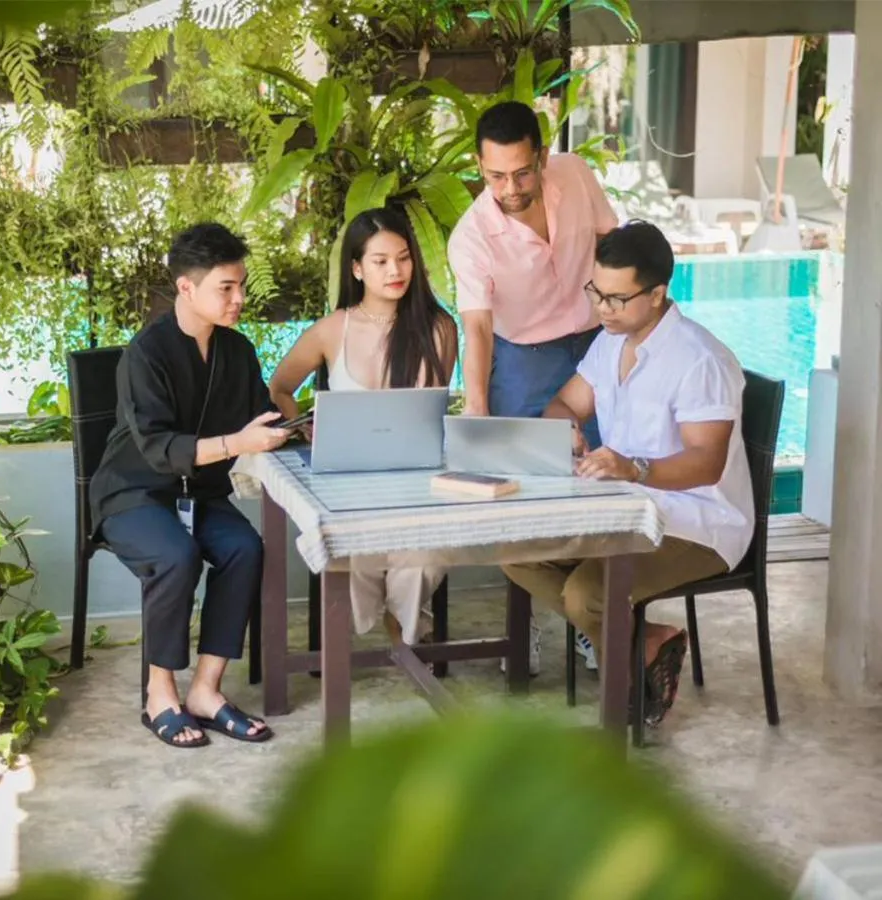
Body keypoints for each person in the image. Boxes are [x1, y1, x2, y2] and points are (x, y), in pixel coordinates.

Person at [501, 221, 754, 724]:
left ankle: (629, 672)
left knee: (586, 596)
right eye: (597, 292)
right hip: (619, 508)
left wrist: (634, 469)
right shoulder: (611, 342)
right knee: (515, 551)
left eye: (617, 299)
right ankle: (648, 640)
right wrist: (566, 428)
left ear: (658, 293)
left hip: (694, 521)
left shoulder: (700, 360)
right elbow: (565, 402)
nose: (602, 309)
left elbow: (707, 463)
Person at [88, 223, 291, 748]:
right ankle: (160, 695)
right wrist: (236, 443)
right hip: (133, 493)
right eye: (226, 287)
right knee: (177, 554)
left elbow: (258, 417)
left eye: (242, 284)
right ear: (186, 287)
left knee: (245, 548)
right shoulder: (145, 354)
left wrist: (294, 425)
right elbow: (158, 447)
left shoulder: (238, 351)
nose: (240, 298)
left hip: (195, 493)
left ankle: (205, 691)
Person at [448, 99, 620, 673]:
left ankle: (596, 619)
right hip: (524, 356)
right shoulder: (471, 237)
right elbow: (477, 327)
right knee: (524, 495)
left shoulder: (574, 175)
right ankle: (529, 624)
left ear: (542, 157)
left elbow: (611, 246)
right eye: (495, 175)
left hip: (596, 340)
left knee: (601, 477)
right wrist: (476, 404)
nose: (510, 188)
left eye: (521, 172)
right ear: (479, 165)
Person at [269, 206, 459, 646]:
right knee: (353, 556)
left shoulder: (440, 328)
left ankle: (405, 629)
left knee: (426, 557)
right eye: (380, 261)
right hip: (349, 486)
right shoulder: (331, 330)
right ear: (357, 268)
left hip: (420, 483)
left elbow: (434, 411)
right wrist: (303, 427)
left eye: (404, 257)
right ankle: (393, 625)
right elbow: (279, 386)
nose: (396, 270)